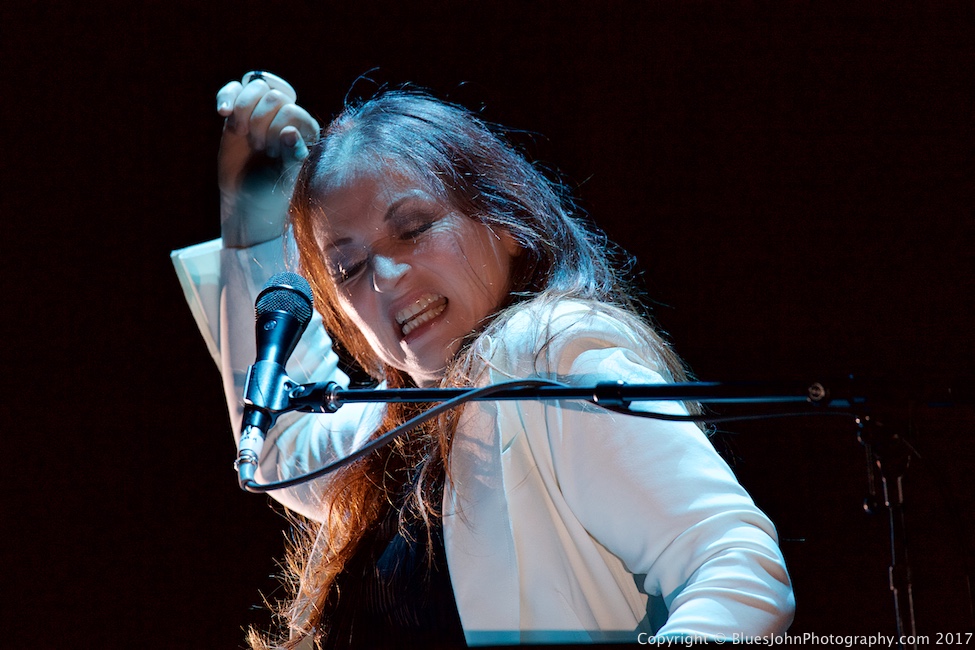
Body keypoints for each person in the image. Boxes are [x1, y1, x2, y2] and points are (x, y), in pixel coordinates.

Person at [172, 71, 795, 649]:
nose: (385, 276)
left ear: (507, 222)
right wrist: (251, 218)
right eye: (350, 268)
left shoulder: (545, 351)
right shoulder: (405, 426)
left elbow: (735, 566)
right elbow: (280, 441)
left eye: (414, 227)